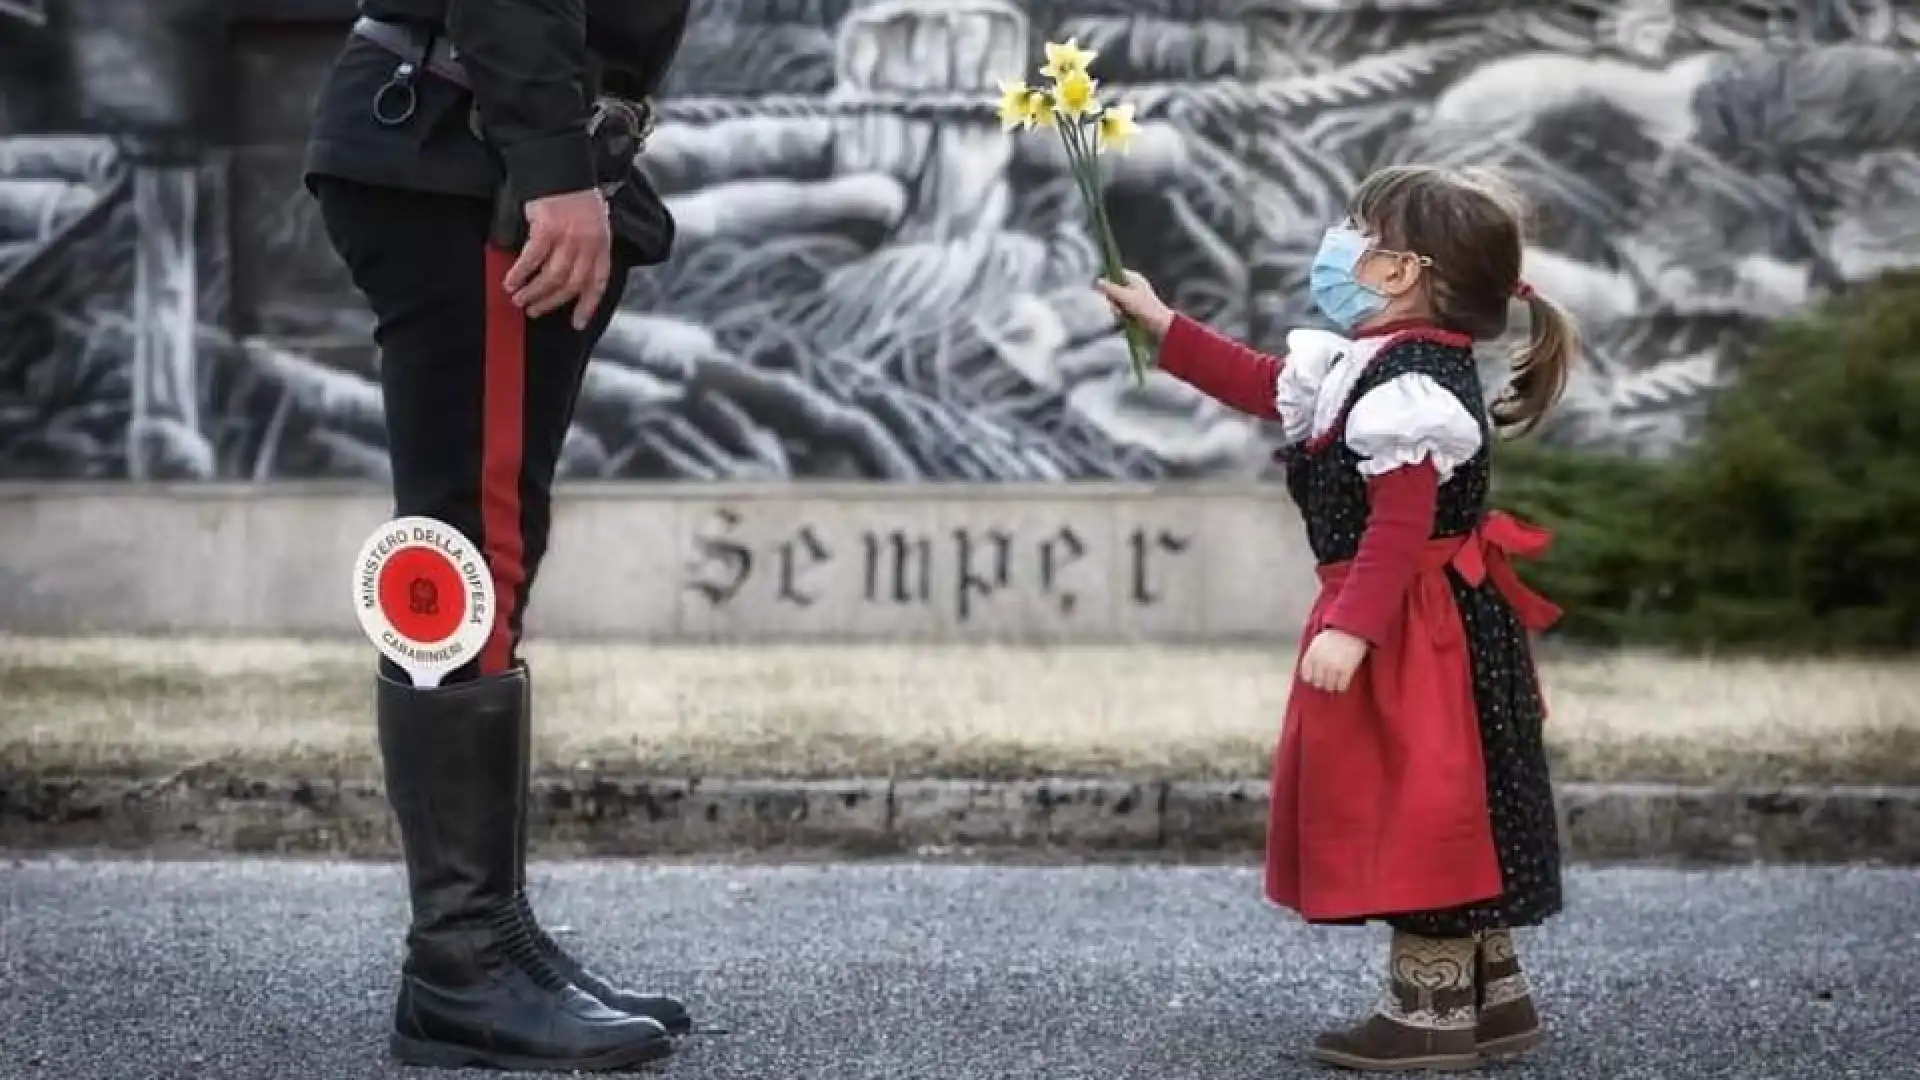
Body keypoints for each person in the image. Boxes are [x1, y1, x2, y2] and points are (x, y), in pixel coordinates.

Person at [1099, 164, 1574, 1073]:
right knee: (1459, 795)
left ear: (1399, 270)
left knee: (1420, 798)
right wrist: (1164, 328)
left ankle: (1430, 1018)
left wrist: (1350, 629)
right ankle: (1495, 1000)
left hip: (1412, 624)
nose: (1340, 242)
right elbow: (1263, 380)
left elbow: (1400, 527)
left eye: (1358, 227)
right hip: (1425, 612)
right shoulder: (1371, 363)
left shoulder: (1411, 393)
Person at [302, 0, 691, 1071]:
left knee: (487, 544)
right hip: (467, 152)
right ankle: (460, 963)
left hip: (472, 141)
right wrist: (556, 166)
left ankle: (491, 938)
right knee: (470, 553)